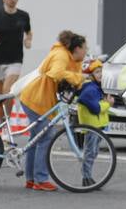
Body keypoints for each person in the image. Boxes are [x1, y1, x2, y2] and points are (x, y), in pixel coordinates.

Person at [16, 30, 88, 192]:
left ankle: (31, 179)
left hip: (38, 99)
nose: (86, 51)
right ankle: (40, 179)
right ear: (76, 48)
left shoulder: (69, 57)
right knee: (46, 137)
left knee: (36, 138)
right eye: (84, 48)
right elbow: (56, 73)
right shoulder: (61, 55)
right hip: (37, 99)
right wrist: (78, 78)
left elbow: (71, 73)